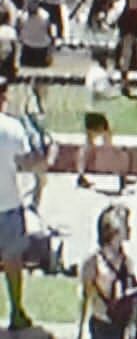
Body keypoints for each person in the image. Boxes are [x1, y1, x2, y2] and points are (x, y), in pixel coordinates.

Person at [0, 77, 46, 331]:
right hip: (7, 205)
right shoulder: (12, 128)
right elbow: (27, 163)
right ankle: (16, 311)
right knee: (13, 262)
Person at [78, 204, 137, 339]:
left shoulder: (127, 262)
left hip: (120, 326)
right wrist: (80, 331)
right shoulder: (93, 262)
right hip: (101, 326)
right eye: (125, 225)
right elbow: (85, 297)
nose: (129, 229)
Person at [77, 47, 128, 194]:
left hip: (89, 111)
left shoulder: (91, 72)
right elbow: (101, 91)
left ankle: (80, 174)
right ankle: (121, 175)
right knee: (108, 146)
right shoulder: (101, 75)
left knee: (88, 145)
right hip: (99, 113)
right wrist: (115, 92)